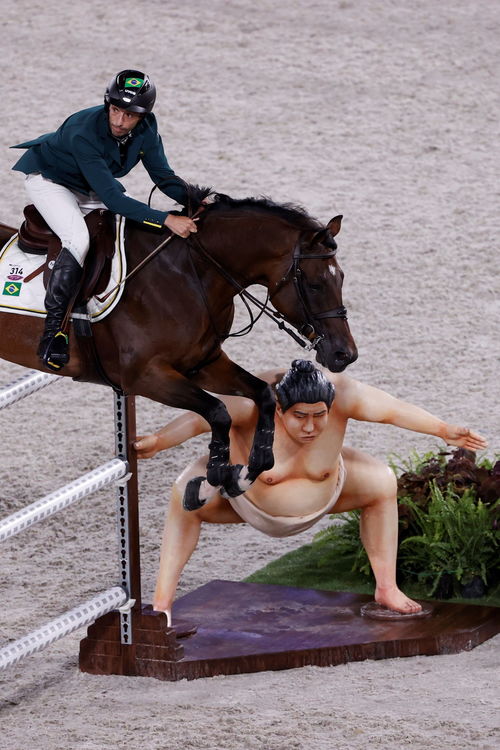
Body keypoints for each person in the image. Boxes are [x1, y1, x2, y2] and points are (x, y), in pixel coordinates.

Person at [134, 360, 488, 625]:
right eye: (300, 416)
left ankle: (387, 587)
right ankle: (162, 604)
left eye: (319, 416)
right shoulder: (249, 404)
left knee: (381, 481)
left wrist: (443, 429)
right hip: (246, 501)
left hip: (328, 493)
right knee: (185, 493)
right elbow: (201, 416)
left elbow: (393, 410)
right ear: (280, 408)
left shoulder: (343, 394)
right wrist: (160, 441)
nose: (310, 427)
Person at [11, 69, 198, 371]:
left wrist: (198, 199)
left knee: (122, 233)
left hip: (88, 184)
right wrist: (166, 219)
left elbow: (163, 177)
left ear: (143, 115)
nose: (119, 121)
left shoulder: (147, 130)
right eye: (114, 110)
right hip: (52, 181)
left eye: (129, 115)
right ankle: (54, 332)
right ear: (107, 104)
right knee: (78, 239)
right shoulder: (84, 130)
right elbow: (113, 199)